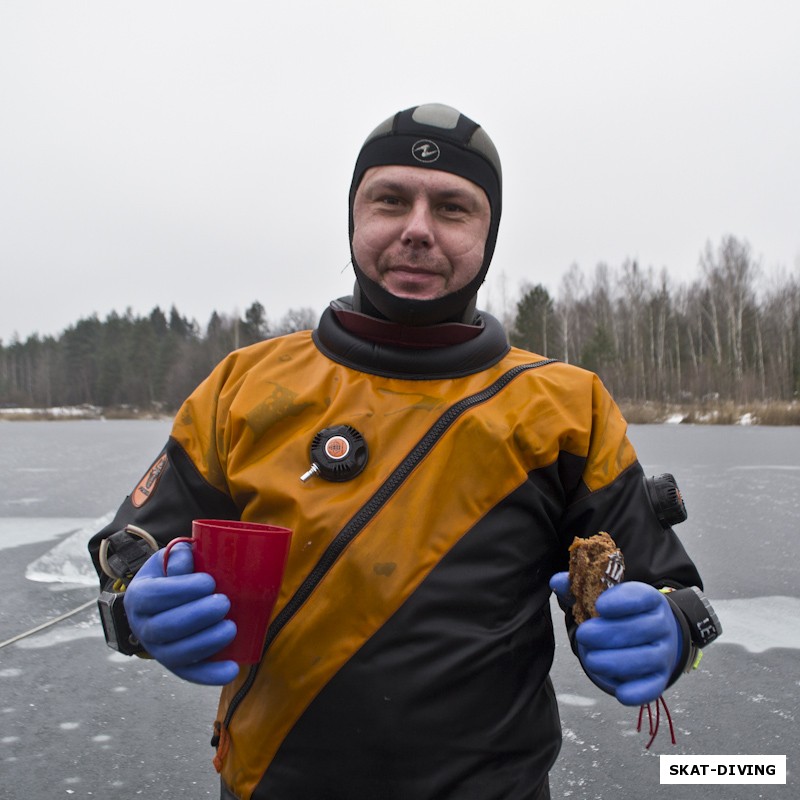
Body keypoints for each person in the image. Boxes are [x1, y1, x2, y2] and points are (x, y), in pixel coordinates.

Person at [89, 103, 719, 800]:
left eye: (453, 208)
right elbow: (129, 549)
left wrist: (668, 632)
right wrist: (135, 602)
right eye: (390, 200)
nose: (417, 230)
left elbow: (672, 587)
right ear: (355, 218)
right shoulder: (244, 387)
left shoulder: (568, 406)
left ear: (488, 235)